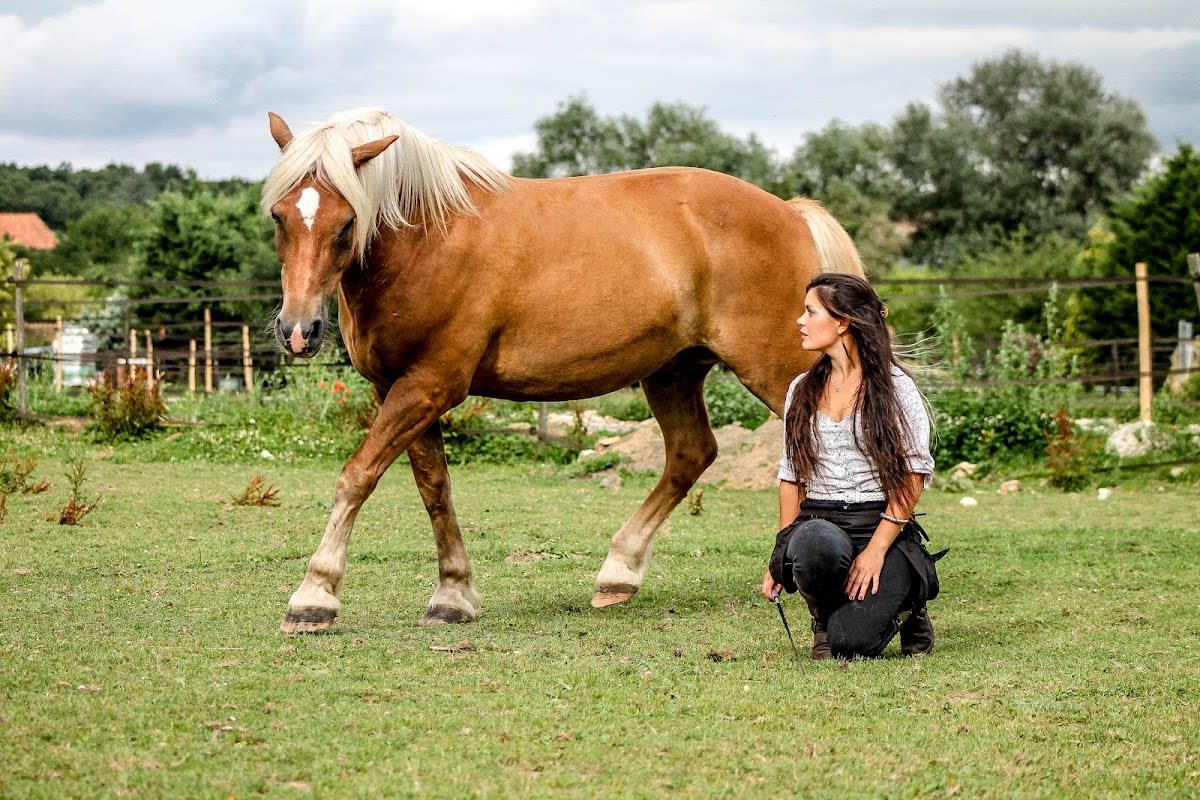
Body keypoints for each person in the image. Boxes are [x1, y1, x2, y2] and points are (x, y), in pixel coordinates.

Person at [761, 272, 943, 660]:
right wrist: (782, 552)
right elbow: (791, 475)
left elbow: (913, 473)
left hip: (879, 524)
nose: (800, 321)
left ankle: (911, 604)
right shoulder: (801, 389)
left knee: (852, 646)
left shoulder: (896, 387)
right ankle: (823, 619)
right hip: (821, 521)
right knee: (813, 545)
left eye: (811, 312)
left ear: (842, 322)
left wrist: (876, 550)